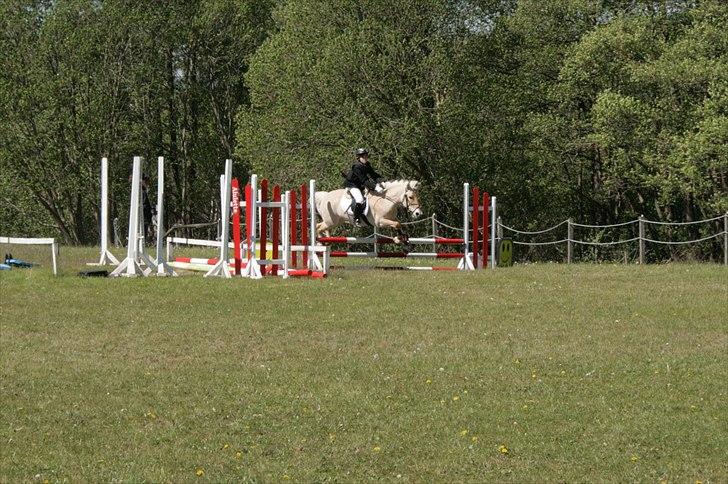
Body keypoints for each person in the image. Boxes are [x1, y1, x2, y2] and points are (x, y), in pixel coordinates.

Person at [343, 148, 384, 227]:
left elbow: (374, 175)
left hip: (360, 185)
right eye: (363, 156)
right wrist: (375, 187)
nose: (365, 158)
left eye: (366, 156)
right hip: (352, 185)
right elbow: (364, 180)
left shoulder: (367, 164)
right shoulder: (356, 167)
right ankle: (356, 218)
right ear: (359, 158)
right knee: (360, 199)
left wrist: (383, 180)